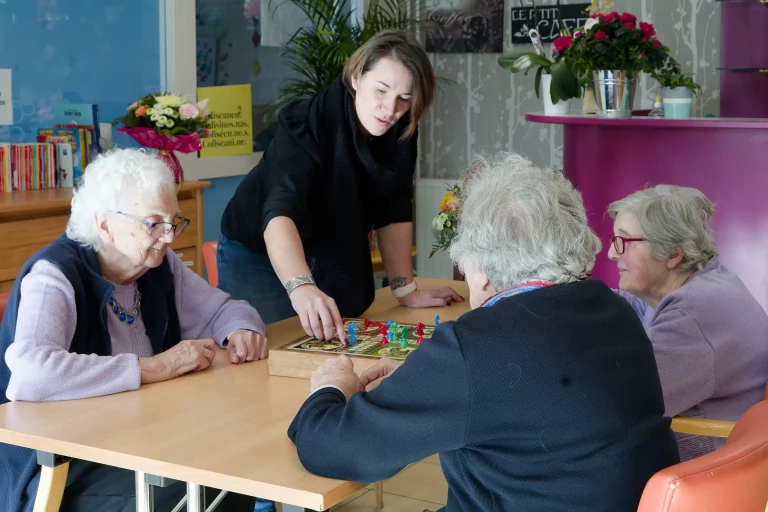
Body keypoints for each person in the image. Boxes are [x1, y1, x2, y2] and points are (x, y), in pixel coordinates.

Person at [288, 152, 679, 512]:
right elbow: (528, 393)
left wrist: (331, 386)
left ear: (486, 274)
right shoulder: (617, 310)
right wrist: (422, 379)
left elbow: (337, 449)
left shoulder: (474, 348)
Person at [0, 149, 266, 512]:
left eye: (174, 221)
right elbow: (31, 374)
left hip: (139, 438)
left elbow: (224, 309)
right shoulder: (54, 276)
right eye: (154, 223)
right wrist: (155, 367)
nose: (169, 236)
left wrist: (240, 330)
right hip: (61, 464)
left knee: (235, 465)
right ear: (104, 225)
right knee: (200, 487)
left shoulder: (157, 265)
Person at [218, 29, 462, 342]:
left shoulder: (401, 129)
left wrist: (406, 290)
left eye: (404, 98)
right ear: (356, 77)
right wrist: (302, 286)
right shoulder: (306, 122)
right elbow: (279, 211)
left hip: (324, 247)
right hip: (258, 251)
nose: (390, 109)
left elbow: (394, 206)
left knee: (329, 346)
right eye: (381, 91)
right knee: (267, 348)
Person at [607, 185, 768, 460]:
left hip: (705, 467)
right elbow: (622, 305)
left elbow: (620, 402)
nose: (612, 252)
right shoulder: (703, 283)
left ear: (673, 254)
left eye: (624, 241)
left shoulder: (692, 314)